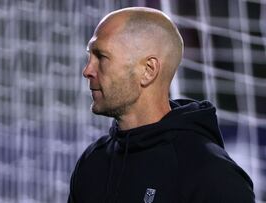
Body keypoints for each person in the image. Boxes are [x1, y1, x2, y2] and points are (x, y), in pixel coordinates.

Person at [68, 7, 254, 203]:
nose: (87, 70)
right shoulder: (92, 161)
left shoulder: (211, 175)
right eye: (90, 56)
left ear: (148, 70)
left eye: (101, 57)